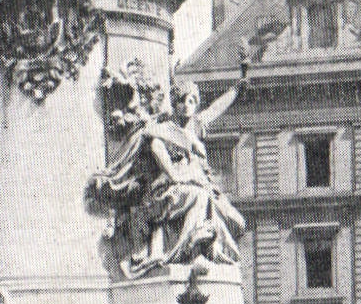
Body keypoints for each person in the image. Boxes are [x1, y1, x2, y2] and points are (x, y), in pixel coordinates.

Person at [89, 77, 246, 276]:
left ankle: (202, 245)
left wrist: (236, 89)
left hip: (201, 184)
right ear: (175, 104)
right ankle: (188, 249)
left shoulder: (196, 125)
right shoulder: (165, 128)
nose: (187, 106)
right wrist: (184, 161)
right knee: (199, 197)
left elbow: (215, 109)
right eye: (182, 101)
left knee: (237, 221)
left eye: (191, 101)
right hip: (170, 186)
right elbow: (156, 148)